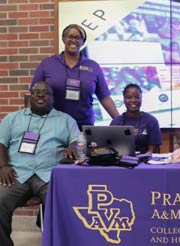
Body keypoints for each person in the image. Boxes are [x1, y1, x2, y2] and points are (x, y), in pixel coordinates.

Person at [0, 81, 80, 245]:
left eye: (45, 92)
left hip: (50, 176)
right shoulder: (12, 118)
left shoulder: (66, 120)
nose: (41, 95)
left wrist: (73, 146)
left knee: (63, 205)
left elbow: (79, 141)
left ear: (52, 97)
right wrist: (3, 166)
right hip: (17, 174)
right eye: (36, 92)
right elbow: (1, 143)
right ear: (30, 96)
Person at [31, 24, 119, 130]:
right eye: (70, 36)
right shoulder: (47, 64)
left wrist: (120, 122)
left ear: (83, 41)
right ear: (63, 39)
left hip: (84, 127)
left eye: (78, 38)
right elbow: (33, 94)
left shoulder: (93, 66)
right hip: (52, 127)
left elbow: (105, 97)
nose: (74, 40)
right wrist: (28, 122)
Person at [110, 83, 162, 154]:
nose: (133, 100)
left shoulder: (151, 121)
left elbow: (152, 150)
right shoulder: (115, 122)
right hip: (120, 162)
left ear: (141, 98)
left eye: (137, 97)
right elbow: (110, 148)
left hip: (144, 162)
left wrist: (141, 160)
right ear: (124, 99)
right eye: (129, 97)